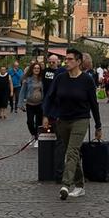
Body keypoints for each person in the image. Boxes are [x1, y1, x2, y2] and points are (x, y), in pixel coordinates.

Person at [41, 48, 102, 200]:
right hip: (63, 120)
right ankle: (80, 185)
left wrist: (98, 126)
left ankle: (66, 185)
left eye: (70, 59)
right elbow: (49, 97)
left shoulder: (87, 80)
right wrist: (46, 115)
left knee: (72, 152)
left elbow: (94, 104)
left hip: (81, 119)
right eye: (66, 59)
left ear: (79, 62)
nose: (66, 62)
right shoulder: (60, 78)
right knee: (73, 154)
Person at [21, 62, 47, 146]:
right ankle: (33, 134)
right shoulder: (27, 79)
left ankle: (37, 138)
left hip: (39, 104)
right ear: (32, 69)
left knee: (39, 122)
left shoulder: (42, 79)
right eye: (35, 68)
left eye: (38, 68)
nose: (36, 70)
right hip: (30, 104)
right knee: (30, 122)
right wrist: (20, 104)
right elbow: (22, 91)